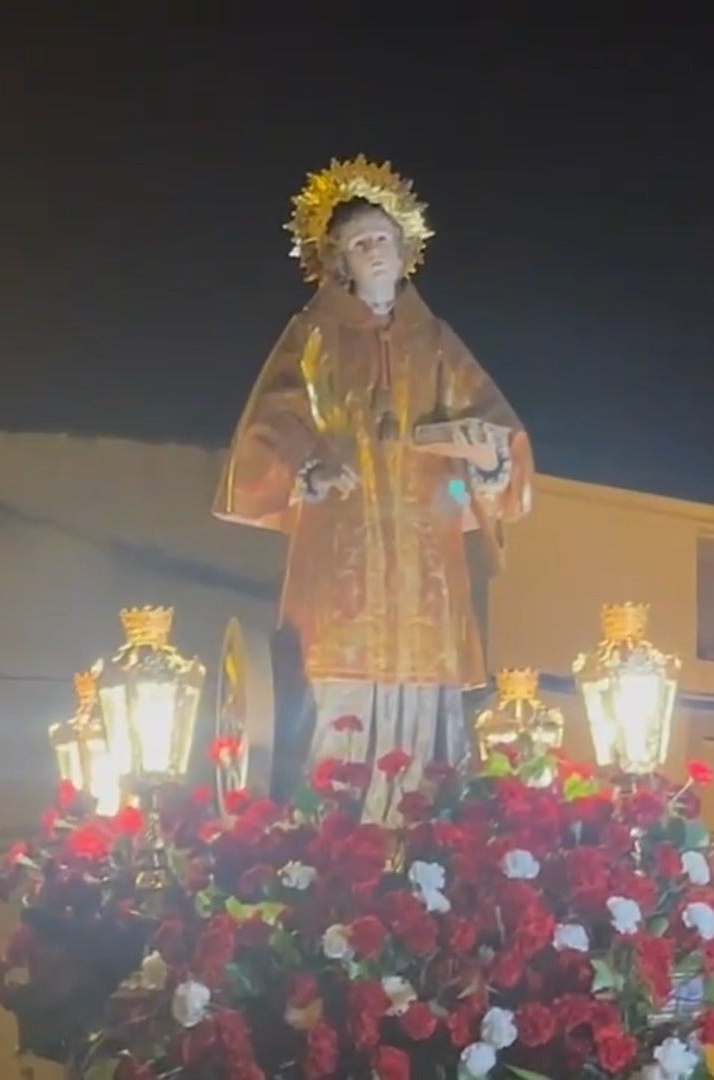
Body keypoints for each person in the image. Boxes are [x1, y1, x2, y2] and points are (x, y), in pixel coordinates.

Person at [215, 156, 532, 821]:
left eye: (383, 239)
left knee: (427, 709)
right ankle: (332, 841)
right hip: (341, 561)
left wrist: (487, 456)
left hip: (425, 567)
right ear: (340, 263)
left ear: (406, 248)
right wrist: (311, 464)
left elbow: (500, 426)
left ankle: (424, 839)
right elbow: (270, 420)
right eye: (360, 244)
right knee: (335, 698)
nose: (375, 252)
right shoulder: (312, 337)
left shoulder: (438, 342)